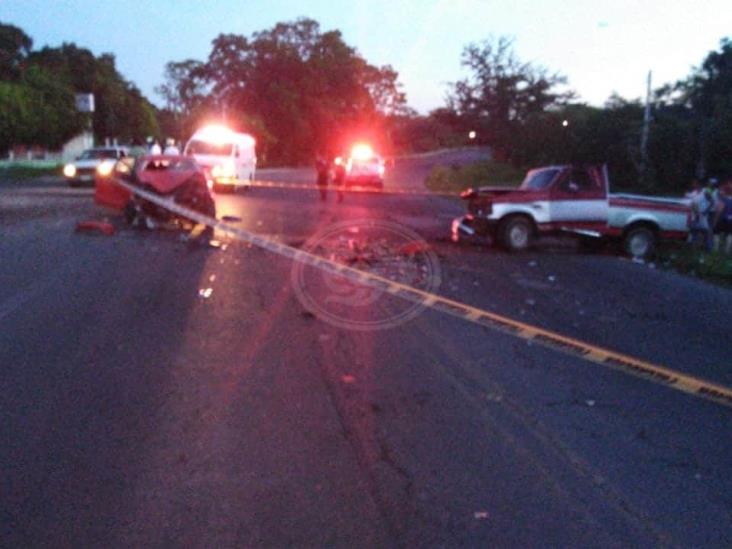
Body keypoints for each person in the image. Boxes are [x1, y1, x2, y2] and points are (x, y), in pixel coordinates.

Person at [688, 179, 714, 251]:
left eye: (695, 184)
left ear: (699, 184)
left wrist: (706, 211)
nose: (693, 185)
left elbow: (712, 202)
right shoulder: (693, 193)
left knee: (706, 233)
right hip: (695, 215)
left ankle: (708, 249)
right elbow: (691, 204)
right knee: (694, 232)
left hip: (703, 215)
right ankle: (693, 248)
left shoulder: (705, 192)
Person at [713, 179, 732, 255]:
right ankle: (727, 251)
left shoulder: (723, 199)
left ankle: (715, 250)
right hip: (731, 220)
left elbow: (719, 211)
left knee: (716, 234)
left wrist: (715, 221)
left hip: (722, 219)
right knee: (729, 235)